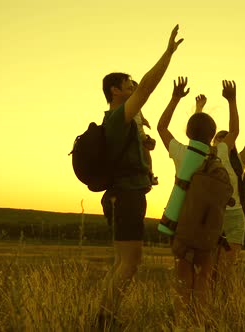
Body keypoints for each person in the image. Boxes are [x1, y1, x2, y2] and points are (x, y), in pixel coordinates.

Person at [95, 25, 183, 329]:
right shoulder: (118, 116)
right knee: (131, 262)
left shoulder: (128, 122)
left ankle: (106, 316)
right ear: (115, 91)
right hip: (126, 195)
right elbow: (147, 87)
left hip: (129, 193)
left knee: (125, 261)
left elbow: (141, 160)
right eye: (128, 84)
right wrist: (168, 54)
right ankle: (104, 320)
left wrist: (144, 152)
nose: (133, 86)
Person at [157, 77, 238, 330]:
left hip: (181, 227)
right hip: (209, 232)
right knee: (203, 278)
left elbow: (161, 127)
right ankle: (200, 324)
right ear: (213, 136)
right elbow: (234, 132)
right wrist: (232, 101)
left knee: (183, 278)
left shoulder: (181, 153)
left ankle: (182, 324)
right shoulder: (221, 153)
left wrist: (175, 98)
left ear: (188, 133)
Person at [196, 91, 245, 297]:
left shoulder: (240, 160)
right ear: (213, 142)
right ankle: (208, 309)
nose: (223, 142)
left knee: (227, 271)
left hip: (235, 218)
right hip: (212, 217)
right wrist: (200, 109)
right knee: (209, 270)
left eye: (226, 139)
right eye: (219, 138)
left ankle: (226, 310)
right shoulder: (208, 157)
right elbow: (198, 135)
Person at [131, 79, 159, 186]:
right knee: (143, 154)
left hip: (141, 134)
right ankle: (148, 174)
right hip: (135, 136)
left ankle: (150, 173)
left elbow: (141, 115)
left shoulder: (138, 106)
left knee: (147, 155)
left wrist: (144, 121)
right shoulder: (127, 106)